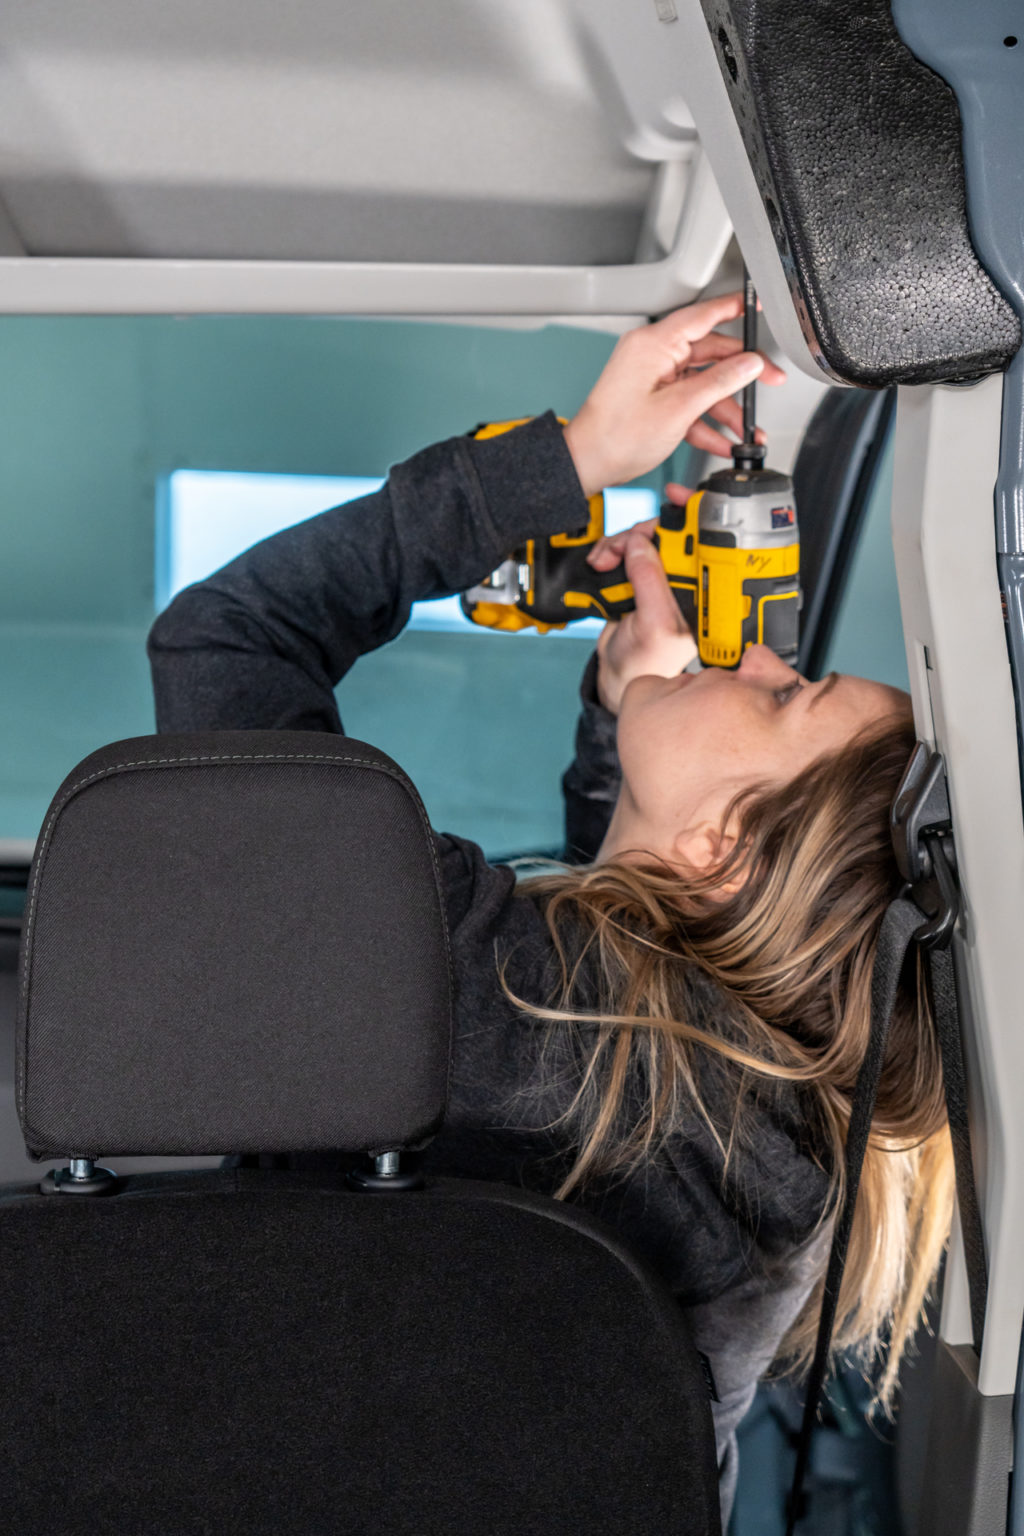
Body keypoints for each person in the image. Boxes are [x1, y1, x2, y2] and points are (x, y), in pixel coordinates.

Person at [148, 294, 953, 1521]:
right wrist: (623, 724)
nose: (764, 658)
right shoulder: (763, 1134)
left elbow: (228, 638)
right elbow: (597, 989)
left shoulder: (477, 1012)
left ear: (724, 843)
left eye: (791, 696)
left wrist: (568, 459)